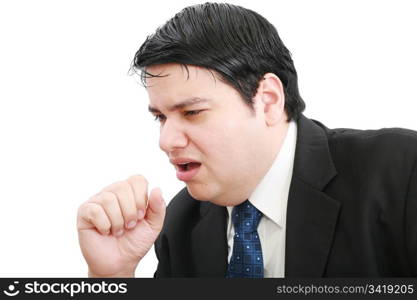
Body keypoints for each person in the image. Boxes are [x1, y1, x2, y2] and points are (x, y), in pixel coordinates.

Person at [76, 2, 417, 277]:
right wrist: (112, 276)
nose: (166, 140)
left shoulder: (401, 174)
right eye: (161, 117)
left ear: (268, 100)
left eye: (192, 112)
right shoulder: (181, 222)